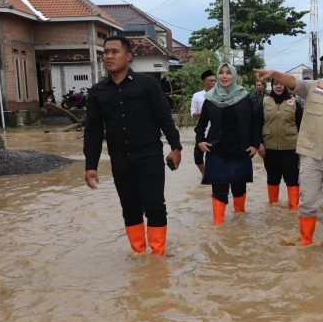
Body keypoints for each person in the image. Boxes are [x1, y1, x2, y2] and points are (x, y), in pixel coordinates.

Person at [83, 35, 182, 255]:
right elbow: (93, 131)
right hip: (120, 160)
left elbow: (164, 117)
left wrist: (176, 147)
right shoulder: (98, 92)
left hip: (149, 156)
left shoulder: (147, 84)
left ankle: (157, 256)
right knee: (130, 209)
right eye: (106, 52)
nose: (109, 56)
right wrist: (91, 165)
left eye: (114, 52)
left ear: (128, 56)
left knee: (155, 206)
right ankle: (139, 254)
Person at [255, 45, 323, 245]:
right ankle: (306, 244)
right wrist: (275, 73)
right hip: (312, 156)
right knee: (308, 203)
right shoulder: (312, 87)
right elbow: (293, 82)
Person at [195, 63, 260, 225]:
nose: (224, 76)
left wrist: (255, 144)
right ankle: (219, 226)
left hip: (241, 149)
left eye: (228, 73)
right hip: (216, 150)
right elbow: (201, 125)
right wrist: (200, 141)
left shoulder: (244, 96)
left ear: (234, 76)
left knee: (239, 188)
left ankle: (239, 221)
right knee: (219, 190)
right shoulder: (210, 98)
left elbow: (255, 123)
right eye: (221, 73)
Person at [259, 79, 303, 209]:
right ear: (271, 85)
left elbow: (301, 125)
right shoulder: (264, 101)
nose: (278, 86)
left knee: (292, 178)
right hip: (269, 148)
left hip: (290, 148)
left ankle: (294, 208)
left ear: (285, 85)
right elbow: (258, 123)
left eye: (281, 84)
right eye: (275, 84)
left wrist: (302, 146)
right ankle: (273, 207)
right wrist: (259, 143)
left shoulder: (294, 102)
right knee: (272, 177)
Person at [190, 69, 216, 176]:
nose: (214, 83)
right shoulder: (197, 96)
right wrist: (204, 114)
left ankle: (215, 175)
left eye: (215, 81)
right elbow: (192, 112)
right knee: (197, 156)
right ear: (204, 82)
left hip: (215, 132)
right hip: (202, 131)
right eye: (211, 81)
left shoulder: (220, 95)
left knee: (214, 156)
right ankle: (205, 175)